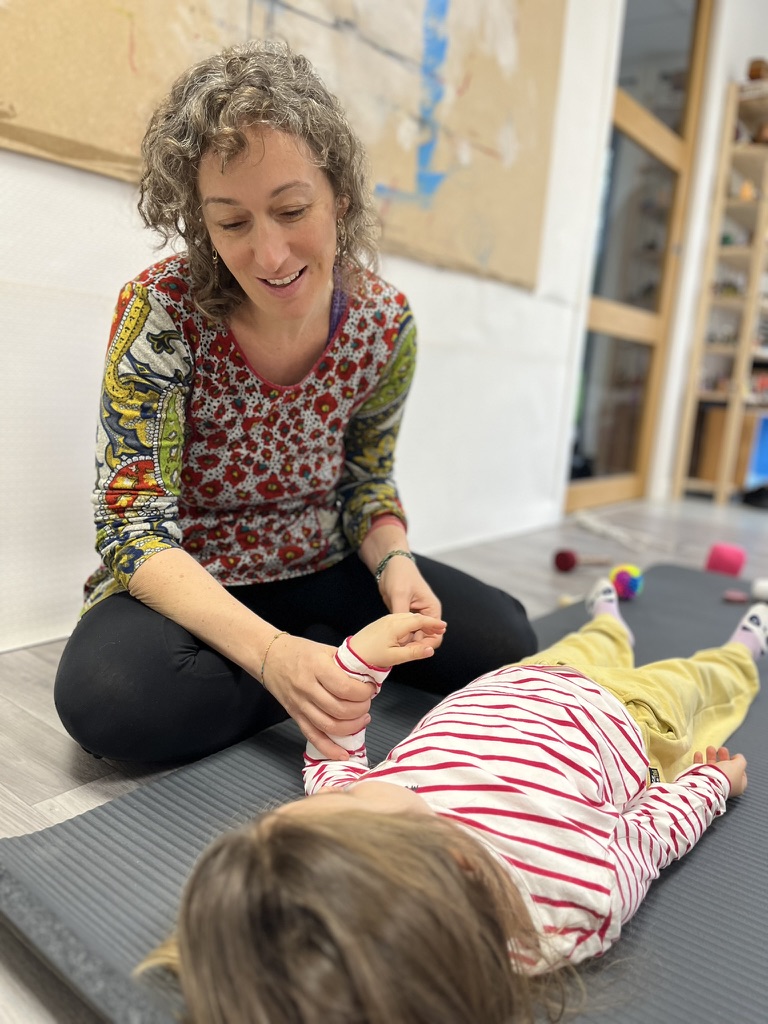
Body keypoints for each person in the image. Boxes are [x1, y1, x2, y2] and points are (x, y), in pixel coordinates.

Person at [53, 39, 537, 764]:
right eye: (233, 223)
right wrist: (273, 655)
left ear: (340, 195)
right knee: (110, 701)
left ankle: (317, 661)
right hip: (194, 581)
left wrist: (394, 564)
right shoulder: (161, 312)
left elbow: (366, 482)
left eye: (292, 209)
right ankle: (328, 662)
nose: (271, 255)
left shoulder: (384, 323)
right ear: (201, 224)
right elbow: (133, 527)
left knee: (506, 640)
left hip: (324, 565)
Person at [140, 580, 764, 1024]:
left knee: (596, 639)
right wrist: (712, 785)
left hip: (523, 678)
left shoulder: (345, 829)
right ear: (455, 862)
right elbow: (649, 836)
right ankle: (745, 649)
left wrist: (357, 664)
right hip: (632, 717)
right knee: (705, 681)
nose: (356, 787)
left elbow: (334, 757)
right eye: (365, 799)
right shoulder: (568, 898)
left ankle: (609, 620)